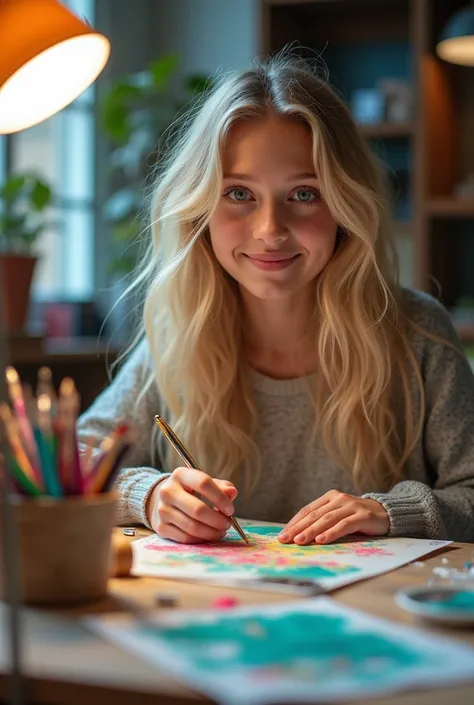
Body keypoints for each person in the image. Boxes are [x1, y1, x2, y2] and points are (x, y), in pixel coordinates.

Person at [78, 53, 474, 545]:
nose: (269, 230)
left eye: (304, 194)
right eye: (239, 194)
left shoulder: (418, 335)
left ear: (345, 207)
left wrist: (390, 511)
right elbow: (73, 459)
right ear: (198, 207)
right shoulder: (181, 332)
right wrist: (150, 493)